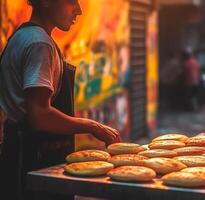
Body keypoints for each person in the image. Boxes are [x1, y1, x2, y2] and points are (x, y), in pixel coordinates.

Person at [0, 0, 120, 199]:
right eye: (71, 1)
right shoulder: (39, 43)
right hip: (31, 157)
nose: (79, 10)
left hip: (20, 151)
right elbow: (39, 115)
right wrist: (93, 127)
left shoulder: (22, 35)